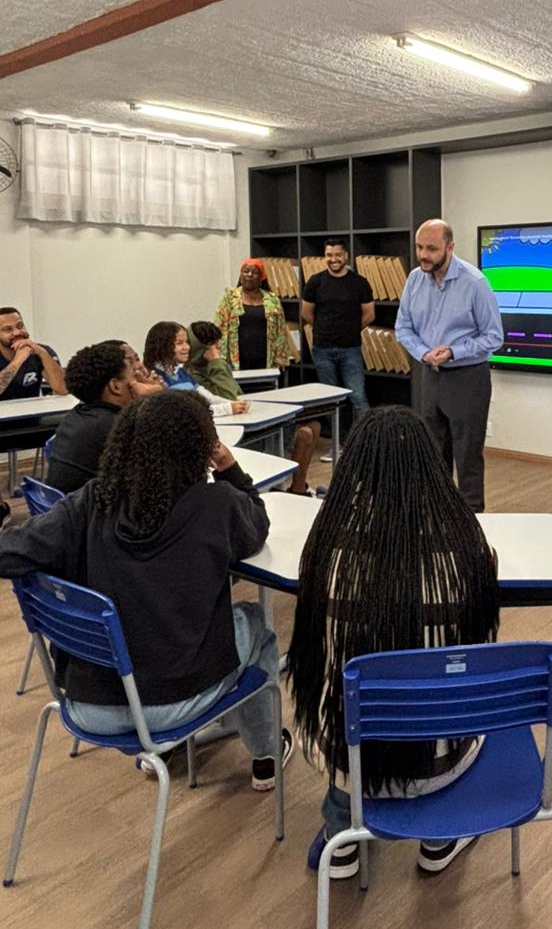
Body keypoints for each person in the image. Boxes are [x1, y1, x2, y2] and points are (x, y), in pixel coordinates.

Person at [0, 390, 292, 788]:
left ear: (123, 443)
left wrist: (51, 584)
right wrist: (230, 469)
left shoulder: (90, 501)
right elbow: (257, 525)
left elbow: (11, 552)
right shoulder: (218, 503)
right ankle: (266, 753)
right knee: (255, 621)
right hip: (173, 702)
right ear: (201, 447)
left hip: (88, 702)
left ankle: (166, 749)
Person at [287, 405, 500, 878]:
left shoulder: (326, 556)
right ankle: (439, 837)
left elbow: (311, 659)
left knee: (348, 714)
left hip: (347, 755)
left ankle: (342, 838)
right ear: (431, 468)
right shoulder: (466, 556)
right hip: (438, 759)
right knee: (445, 704)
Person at [395, 219, 504, 511]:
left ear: (450, 247)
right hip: (431, 376)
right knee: (432, 453)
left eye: (431, 249)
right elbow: (403, 328)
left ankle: (471, 521)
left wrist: (454, 352)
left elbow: (494, 337)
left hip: (468, 378)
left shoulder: (475, 283)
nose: (423, 255)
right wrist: (423, 353)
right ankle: (437, 517)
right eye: (419, 247)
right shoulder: (415, 280)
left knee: (467, 456)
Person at [188, 319, 319, 497]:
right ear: (200, 349)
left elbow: (236, 396)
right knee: (305, 433)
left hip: (246, 419)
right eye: (212, 345)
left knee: (314, 425)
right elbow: (230, 396)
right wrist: (216, 364)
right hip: (236, 430)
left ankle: (298, 489)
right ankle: (288, 490)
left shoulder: (212, 366)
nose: (218, 348)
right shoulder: (195, 374)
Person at [46, 342, 139, 493]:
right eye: (134, 376)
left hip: (68, 503)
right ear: (115, 386)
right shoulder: (116, 426)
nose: (140, 379)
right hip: (92, 506)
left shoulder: (77, 414)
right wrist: (156, 398)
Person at [300, 238, 374, 419]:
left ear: (346, 255)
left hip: (351, 348)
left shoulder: (359, 282)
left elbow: (369, 314)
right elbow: (306, 313)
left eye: (338, 255)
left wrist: (351, 329)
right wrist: (323, 328)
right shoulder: (315, 282)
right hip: (322, 349)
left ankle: (365, 435)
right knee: (329, 399)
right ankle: (336, 436)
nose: (333, 259)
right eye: (329, 255)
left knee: (358, 396)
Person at [143, 322, 248, 418]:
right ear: (162, 346)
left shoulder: (181, 373)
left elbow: (209, 398)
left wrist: (233, 404)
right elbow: (187, 411)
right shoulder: (155, 378)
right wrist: (227, 408)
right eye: (179, 343)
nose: (187, 347)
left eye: (187, 342)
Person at [215, 259, 290, 373]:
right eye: (246, 271)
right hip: (236, 361)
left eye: (255, 272)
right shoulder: (229, 298)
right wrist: (221, 359)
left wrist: (280, 359)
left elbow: (281, 331)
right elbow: (220, 328)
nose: (249, 275)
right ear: (241, 275)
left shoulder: (272, 300)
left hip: (265, 359)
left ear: (261, 277)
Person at [0, 307, 67, 398]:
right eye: (8, 329)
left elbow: (63, 389)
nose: (17, 332)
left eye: (20, 326)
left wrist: (42, 353)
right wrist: (18, 361)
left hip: (31, 406)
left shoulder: (40, 351)